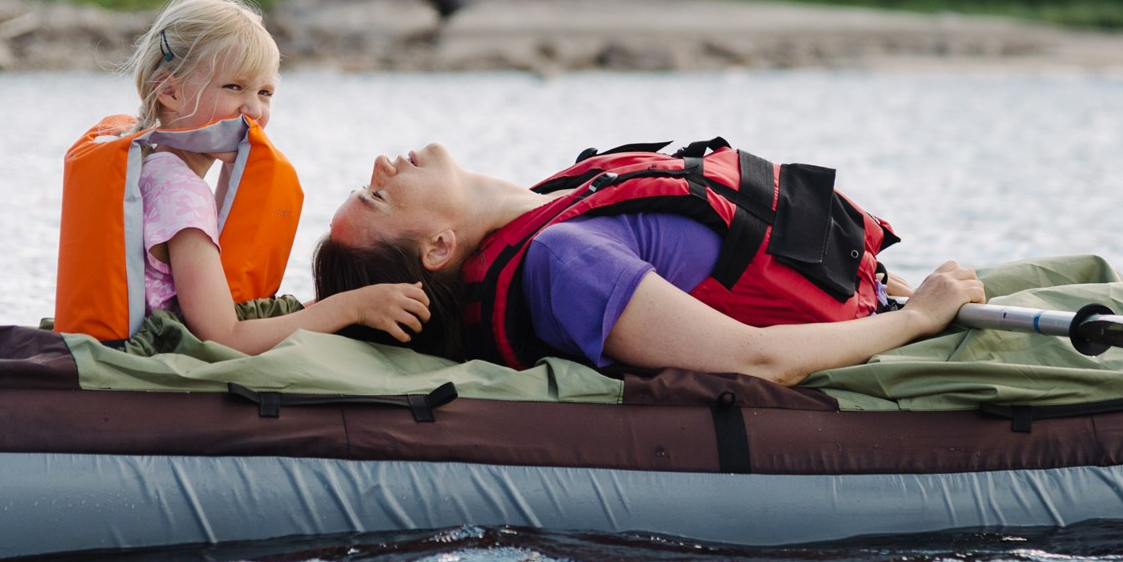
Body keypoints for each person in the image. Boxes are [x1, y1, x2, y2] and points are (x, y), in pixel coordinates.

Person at [311, 140, 986, 384]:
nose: (381, 165)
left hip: (864, 284)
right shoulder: (560, 261)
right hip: (870, 328)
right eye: (377, 194)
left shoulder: (544, 210)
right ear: (437, 248)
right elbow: (759, 359)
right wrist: (917, 320)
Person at [54, 0, 429, 353]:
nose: (254, 110)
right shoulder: (179, 193)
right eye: (234, 87)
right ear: (168, 92)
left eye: (265, 93)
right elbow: (225, 336)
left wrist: (337, 305)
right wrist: (354, 307)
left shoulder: (148, 167)